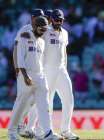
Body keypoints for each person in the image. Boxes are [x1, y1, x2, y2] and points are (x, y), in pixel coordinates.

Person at [9, 16, 62, 140]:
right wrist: (25, 76)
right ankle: (12, 132)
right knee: (21, 104)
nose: (44, 31)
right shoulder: (24, 38)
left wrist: (42, 75)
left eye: (45, 29)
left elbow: (40, 61)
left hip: (40, 75)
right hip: (26, 75)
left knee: (44, 104)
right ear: (34, 26)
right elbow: (20, 57)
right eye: (41, 29)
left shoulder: (42, 42)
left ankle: (48, 132)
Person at [13, 9, 45, 138]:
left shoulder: (43, 28)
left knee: (35, 101)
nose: (40, 19)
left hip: (38, 70)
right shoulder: (24, 29)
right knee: (22, 99)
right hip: (25, 70)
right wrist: (17, 68)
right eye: (37, 17)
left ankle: (27, 128)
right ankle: (16, 127)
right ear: (32, 18)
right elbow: (16, 49)